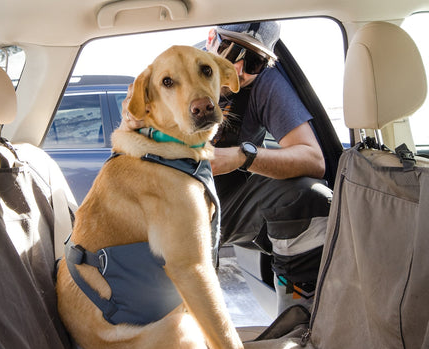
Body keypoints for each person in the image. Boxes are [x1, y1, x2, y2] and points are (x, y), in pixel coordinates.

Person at [124, 21, 332, 314]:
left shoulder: (264, 83)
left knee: (310, 196)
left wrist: (240, 157)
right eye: (231, 50)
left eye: (254, 61)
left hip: (231, 200)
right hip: (167, 203)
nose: (237, 69)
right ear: (212, 38)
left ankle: (296, 320)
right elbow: (130, 133)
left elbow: (314, 160)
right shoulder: (170, 69)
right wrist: (133, 122)